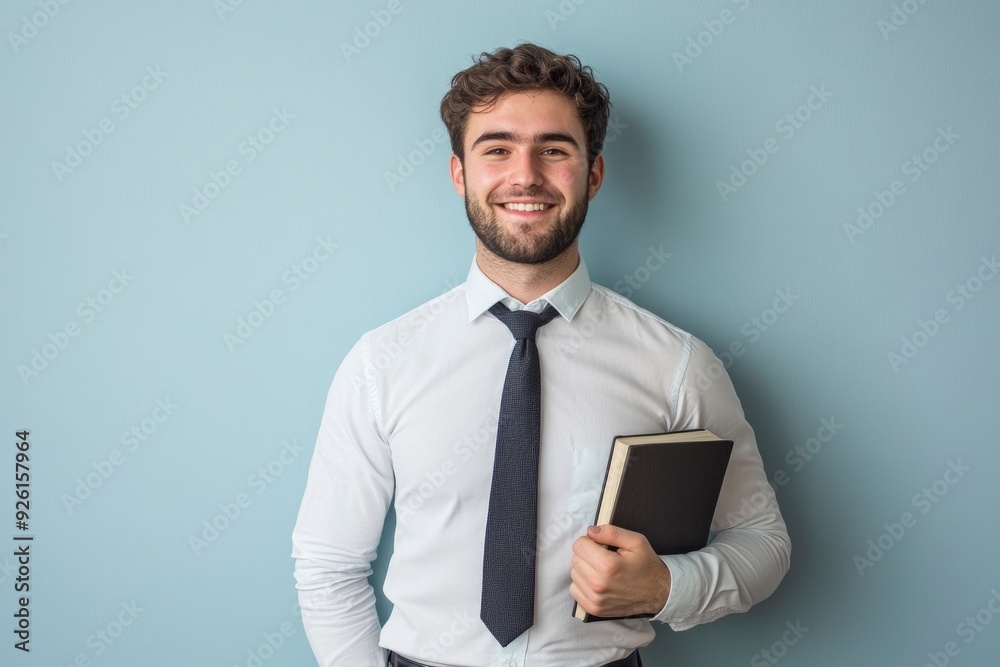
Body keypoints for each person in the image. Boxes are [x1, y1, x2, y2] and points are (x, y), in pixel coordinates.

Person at [291, 42, 790, 667]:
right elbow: (328, 565)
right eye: (496, 149)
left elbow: (763, 543)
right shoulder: (381, 363)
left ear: (594, 174)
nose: (525, 175)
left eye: (554, 150)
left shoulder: (676, 364)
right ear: (459, 174)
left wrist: (666, 588)